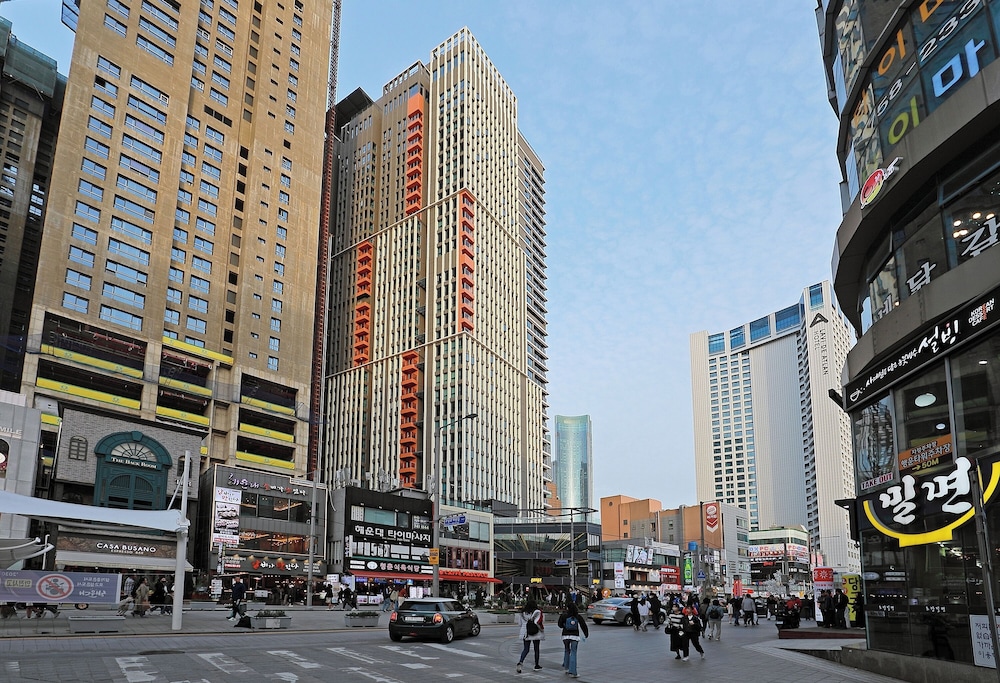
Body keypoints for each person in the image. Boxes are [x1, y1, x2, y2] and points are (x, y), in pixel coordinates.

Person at [558, 601, 589, 679]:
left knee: (566, 650)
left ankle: (566, 667)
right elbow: (583, 625)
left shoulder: (564, 615)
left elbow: (559, 625)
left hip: (565, 636)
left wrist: (564, 626)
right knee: (573, 652)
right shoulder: (577, 616)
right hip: (574, 636)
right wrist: (586, 634)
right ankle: (573, 672)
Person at [516, 599, 545, 673]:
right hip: (535, 632)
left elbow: (519, 624)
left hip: (525, 633)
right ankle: (536, 665)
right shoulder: (536, 612)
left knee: (526, 649)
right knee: (536, 649)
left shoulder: (522, 613)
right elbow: (539, 622)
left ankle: (520, 662)